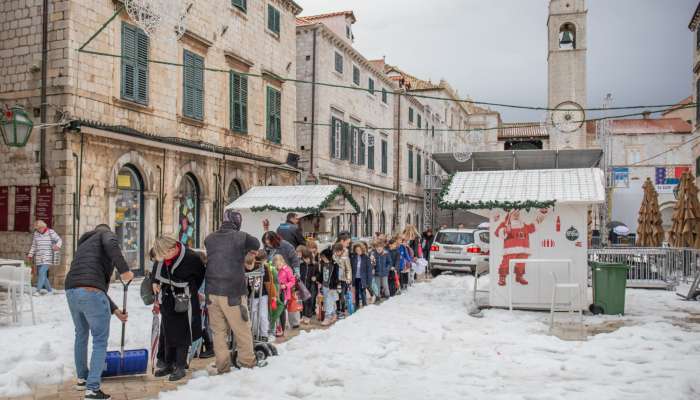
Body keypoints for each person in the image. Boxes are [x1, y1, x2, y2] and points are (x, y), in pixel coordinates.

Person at [64, 224, 133, 400]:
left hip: (72, 291)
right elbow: (94, 287)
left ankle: (82, 379)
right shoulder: (105, 234)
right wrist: (124, 270)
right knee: (100, 340)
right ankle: (92, 389)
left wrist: (115, 310)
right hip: (90, 292)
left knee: (81, 334)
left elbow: (94, 286)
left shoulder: (84, 246)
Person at [204, 210, 260, 374]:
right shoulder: (241, 236)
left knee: (218, 332)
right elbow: (256, 244)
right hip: (233, 292)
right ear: (237, 223)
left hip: (211, 293)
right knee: (241, 330)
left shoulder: (209, 238)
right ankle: (247, 364)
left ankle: (222, 367)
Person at [150, 237, 205, 381]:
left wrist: (189, 289)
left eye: (163, 255)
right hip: (168, 296)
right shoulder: (162, 256)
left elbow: (200, 276)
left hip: (184, 297)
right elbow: (157, 267)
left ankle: (180, 366)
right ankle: (168, 364)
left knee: (183, 331)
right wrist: (155, 281)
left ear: (173, 249)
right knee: (167, 331)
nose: (161, 259)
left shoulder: (191, 258)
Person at [262, 231, 301, 328]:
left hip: (287, 276)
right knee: (279, 301)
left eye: (269, 241)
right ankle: (279, 325)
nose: (267, 243)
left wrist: (296, 272)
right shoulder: (266, 249)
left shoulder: (286, 245)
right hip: (274, 278)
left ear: (274, 239)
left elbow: (295, 259)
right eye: (265, 242)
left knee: (291, 299)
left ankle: (295, 322)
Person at [28, 220, 62, 295]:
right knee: (42, 274)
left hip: (47, 257)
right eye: (37, 229)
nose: (38, 230)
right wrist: (30, 254)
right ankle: (50, 290)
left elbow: (59, 240)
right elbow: (34, 245)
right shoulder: (36, 234)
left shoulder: (51, 232)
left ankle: (38, 290)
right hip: (38, 257)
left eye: (39, 228)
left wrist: (57, 246)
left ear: (43, 227)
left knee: (41, 272)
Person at [273, 254, 296, 337]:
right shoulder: (274, 270)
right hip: (276, 293)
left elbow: (293, 281)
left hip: (285, 294)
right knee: (276, 311)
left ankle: (282, 329)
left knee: (282, 311)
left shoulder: (287, 269)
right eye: (276, 265)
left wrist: (285, 285)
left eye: (279, 265)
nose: (278, 267)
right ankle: (277, 328)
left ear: (283, 261)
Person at [318, 245, 341, 326]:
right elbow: (321, 274)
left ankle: (328, 317)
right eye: (322, 257)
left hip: (331, 287)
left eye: (323, 257)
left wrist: (334, 287)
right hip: (325, 286)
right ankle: (334, 315)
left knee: (329, 302)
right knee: (329, 302)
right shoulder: (324, 264)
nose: (322, 259)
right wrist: (318, 281)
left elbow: (337, 277)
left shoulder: (335, 265)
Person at [297, 245, 318, 325]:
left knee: (309, 301)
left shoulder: (314, 265)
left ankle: (308, 316)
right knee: (303, 301)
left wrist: (315, 277)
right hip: (302, 285)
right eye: (304, 259)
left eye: (307, 259)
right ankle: (302, 316)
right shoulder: (301, 265)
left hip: (311, 285)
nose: (306, 260)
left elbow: (318, 274)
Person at [349, 242, 371, 308]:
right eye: (356, 250)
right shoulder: (353, 257)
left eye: (359, 250)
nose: (358, 251)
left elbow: (369, 269)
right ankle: (357, 305)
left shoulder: (366, 257)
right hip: (355, 277)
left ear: (362, 249)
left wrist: (369, 280)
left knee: (363, 292)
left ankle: (364, 305)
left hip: (363, 278)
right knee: (356, 292)